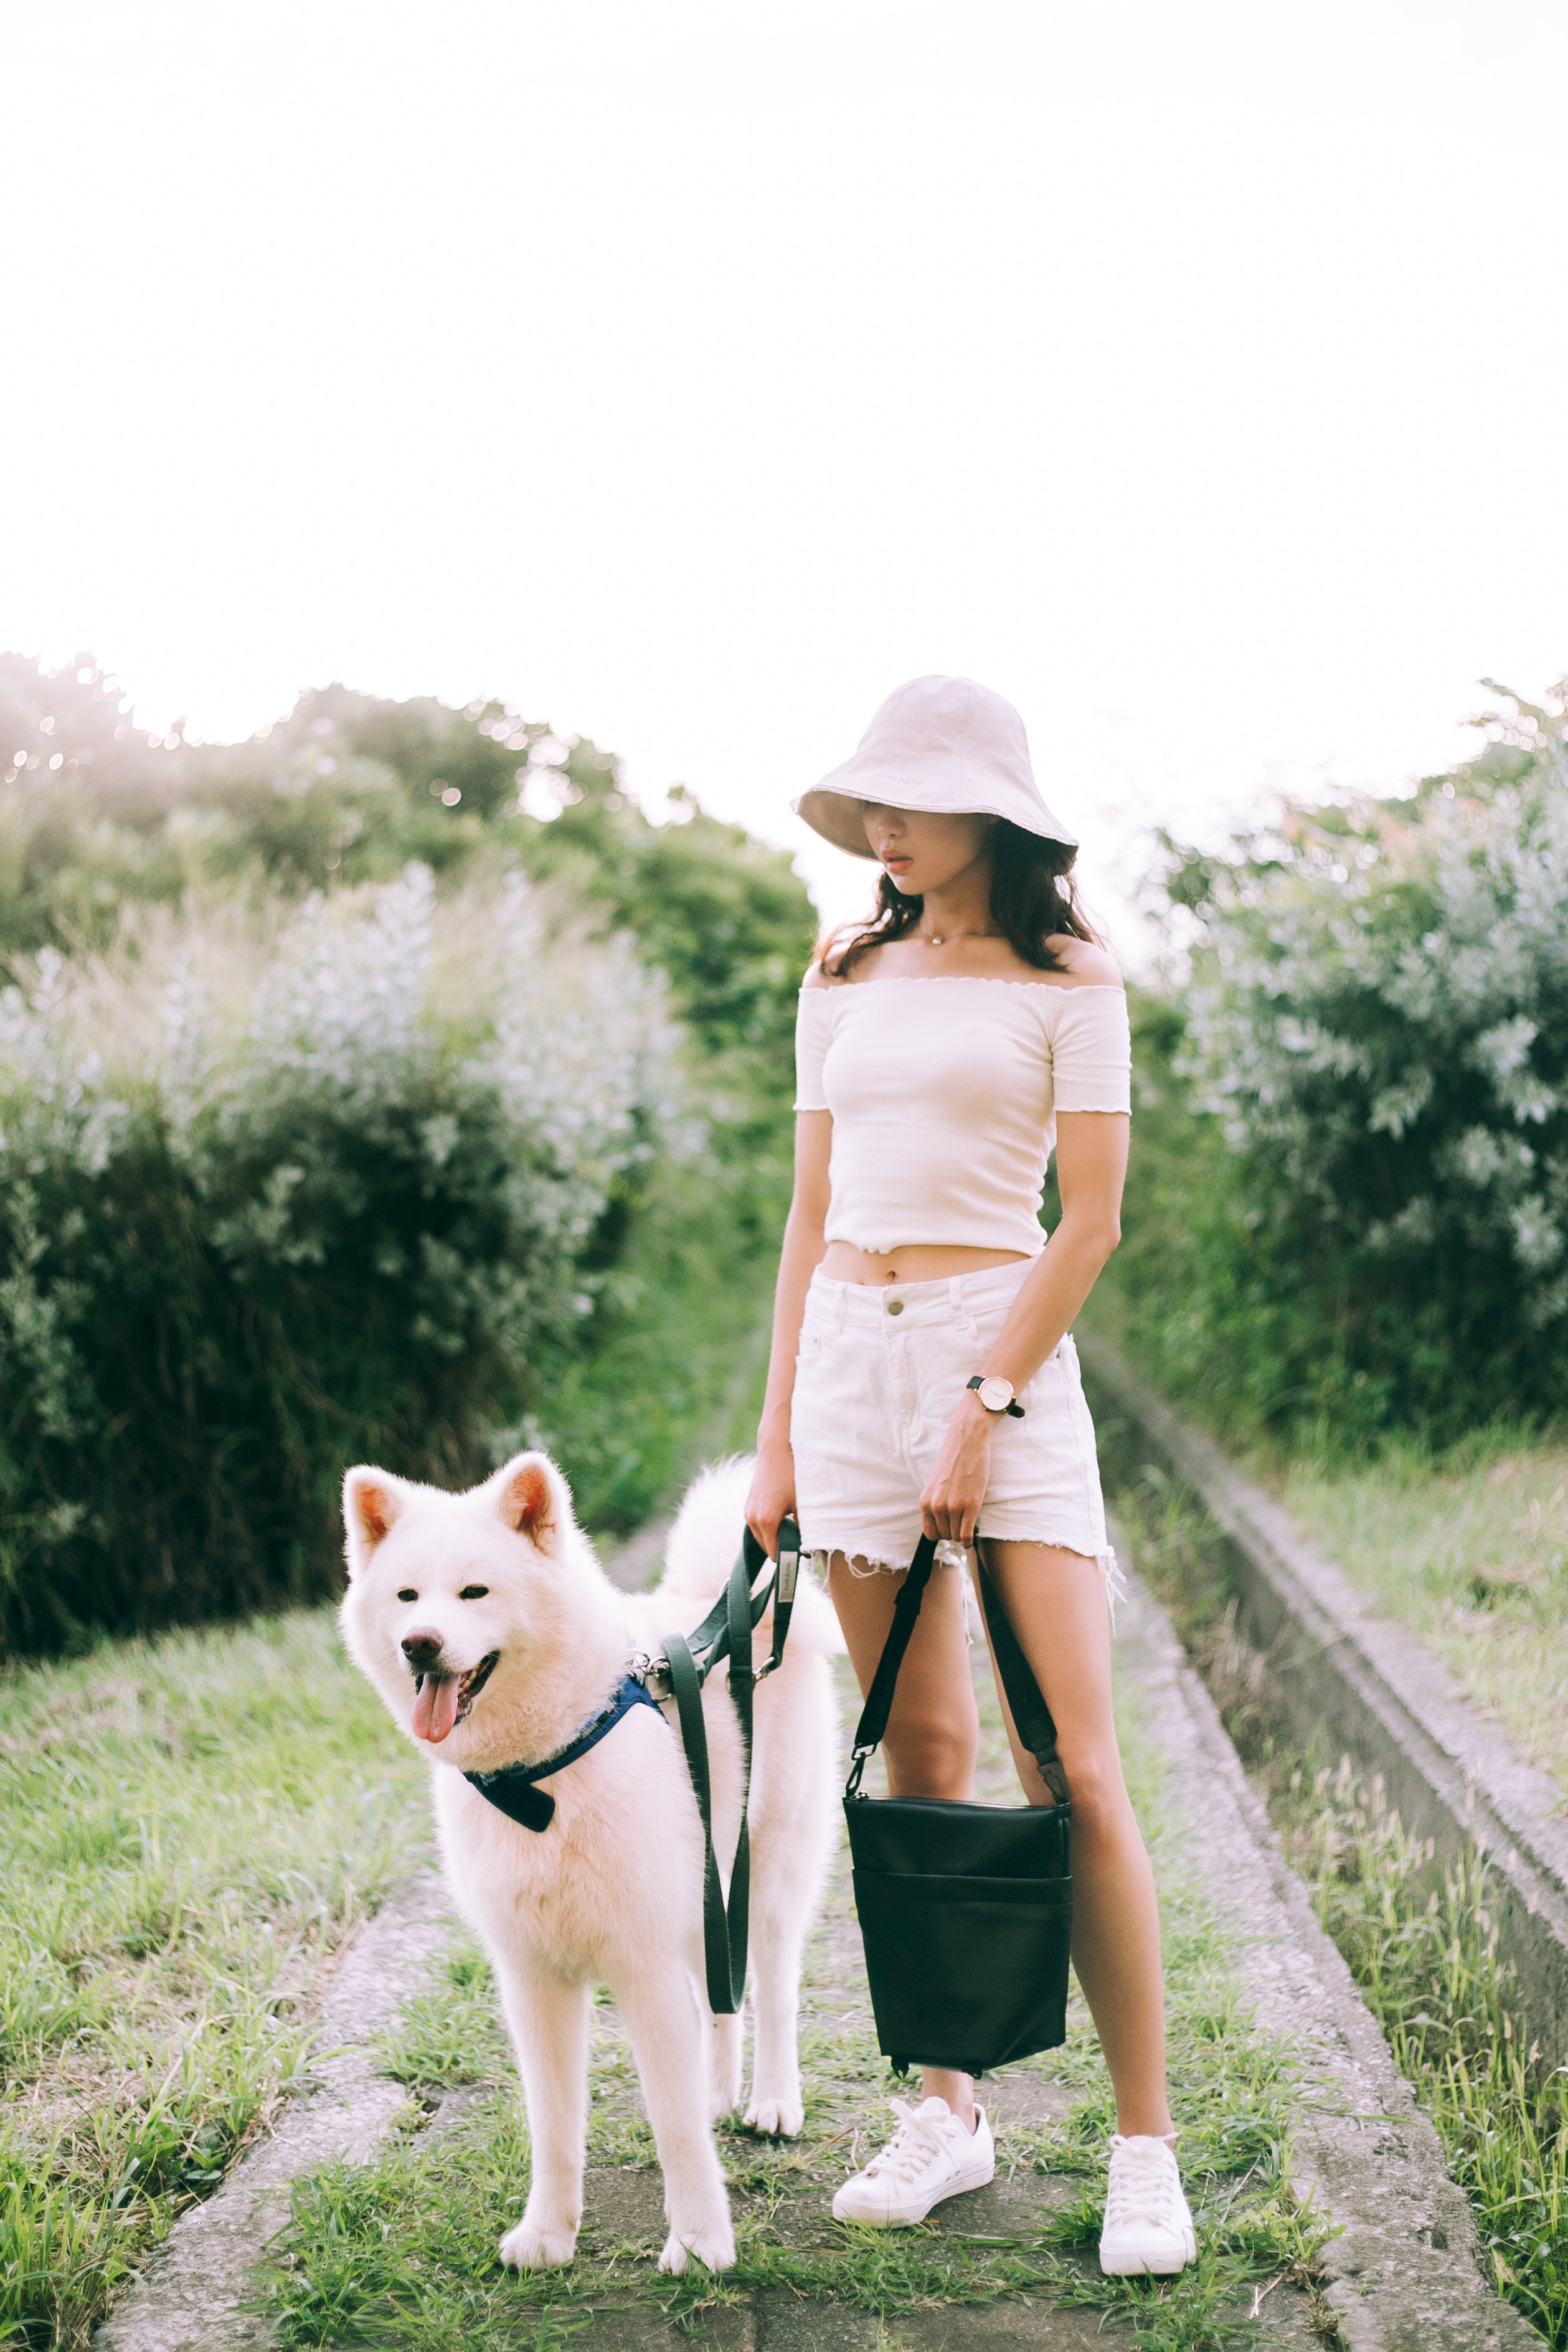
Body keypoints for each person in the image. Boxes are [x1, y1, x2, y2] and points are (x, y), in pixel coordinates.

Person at [745, 674, 1195, 2277]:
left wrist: (984, 1396)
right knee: (914, 1747)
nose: (881, 824)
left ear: (990, 811)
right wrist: (778, 1429)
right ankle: (948, 2107)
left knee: (1063, 1751)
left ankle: (1144, 2147)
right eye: (870, 797)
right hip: (849, 1362)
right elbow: (807, 1211)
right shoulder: (842, 970)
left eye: (910, 796)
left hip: (992, 1346)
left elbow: (1087, 1222)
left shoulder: (1071, 978)